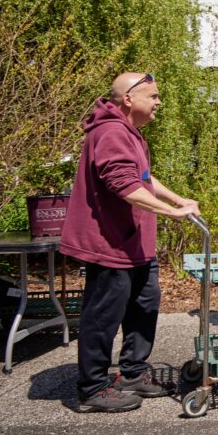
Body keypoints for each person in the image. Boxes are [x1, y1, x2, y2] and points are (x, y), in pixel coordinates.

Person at [61, 72, 200, 413]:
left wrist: (179, 199)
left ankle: (133, 373)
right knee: (103, 316)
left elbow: (143, 177)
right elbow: (122, 184)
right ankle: (91, 389)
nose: (158, 102)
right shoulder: (109, 131)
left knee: (145, 306)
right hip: (110, 245)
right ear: (127, 99)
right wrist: (171, 213)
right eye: (152, 96)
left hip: (137, 245)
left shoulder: (130, 133)